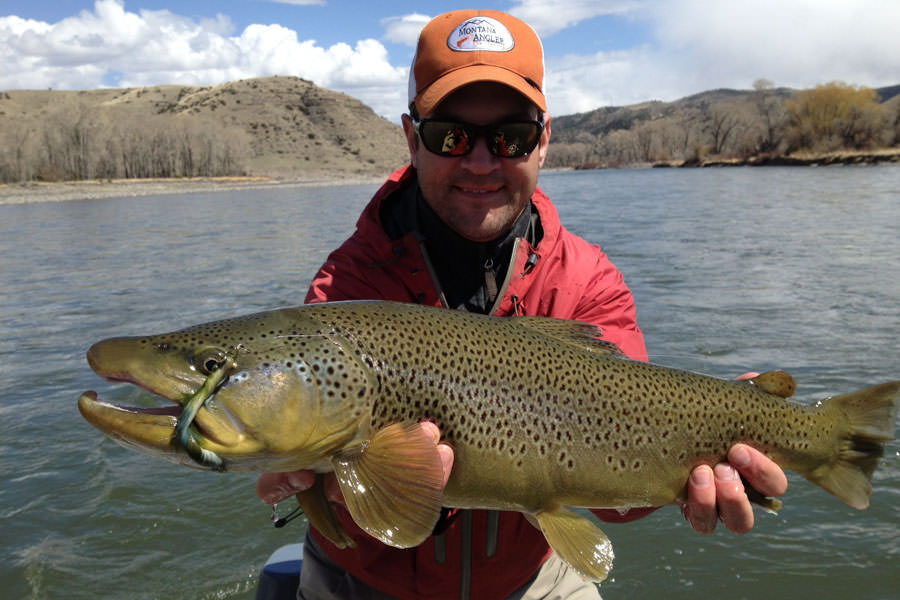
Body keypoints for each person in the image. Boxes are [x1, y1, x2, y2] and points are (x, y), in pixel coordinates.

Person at [257, 9, 788, 599]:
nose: (481, 162)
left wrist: (702, 462)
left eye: (511, 136)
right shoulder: (349, 286)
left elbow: (616, 499)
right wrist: (348, 486)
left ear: (544, 142)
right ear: (412, 138)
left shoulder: (590, 281)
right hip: (364, 582)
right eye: (451, 136)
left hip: (531, 578)